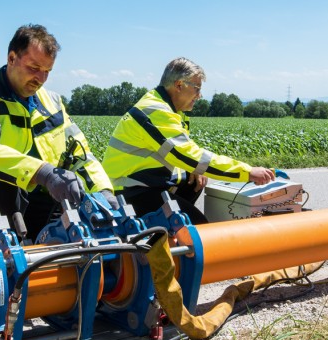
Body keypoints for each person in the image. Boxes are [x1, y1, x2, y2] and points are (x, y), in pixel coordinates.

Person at [0, 24, 116, 237]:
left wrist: (104, 193)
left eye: (47, 72)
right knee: (6, 186)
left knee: (74, 201)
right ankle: (15, 254)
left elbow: (81, 154)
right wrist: (43, 172)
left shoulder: (52, 102)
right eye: (34, 68)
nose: (41, 79)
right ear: (12, 58)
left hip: (36, 195)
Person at [101, 57, 275, 224]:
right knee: (200, 230)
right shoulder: (156, 111)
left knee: (194, 179)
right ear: (179, 85)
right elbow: (189, 156)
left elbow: (182, 154)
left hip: (140, 183)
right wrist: (248, 172)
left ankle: (167, 234)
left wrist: (193, 168)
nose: (199, 95)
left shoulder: (171, 109)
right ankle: (171, 234)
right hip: (127, 192)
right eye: (197, 88)